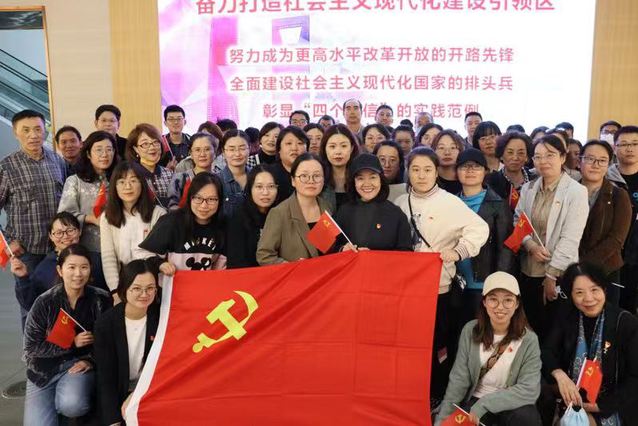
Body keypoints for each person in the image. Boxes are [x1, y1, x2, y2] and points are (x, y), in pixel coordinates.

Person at [395, 147, 489, 405]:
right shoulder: (400, 202)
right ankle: (411, 391)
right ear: (408, 172)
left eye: (427, 169)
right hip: (406, 289)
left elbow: (479, 229)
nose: (421, 175)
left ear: (436, 172)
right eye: (415, 169)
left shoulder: (449, 202)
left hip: (438, 288)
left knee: (436, 344)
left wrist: (458, 252)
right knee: (408, 344)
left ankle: (436, 395)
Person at [435, 272, 542, 426]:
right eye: (493, 299)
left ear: (517, 303)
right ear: (484, 302)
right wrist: (442, 420)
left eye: (508, 300)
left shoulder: (529, 340)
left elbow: (529, 389)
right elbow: (459, 379)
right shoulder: (470, 330)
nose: (500, 307)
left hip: (510, 404)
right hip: (475, 401)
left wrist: (485, 404)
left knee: (526, 418)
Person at [23, 244, 111, 426]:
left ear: (90, 269)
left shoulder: (101, 299)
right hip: (42, 373)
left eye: (84, 267)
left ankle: (67, 408)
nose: (78, 273)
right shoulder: (44, 302)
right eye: (71, 267)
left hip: (77, 366)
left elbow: (110, 342)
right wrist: (71, 342)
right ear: (60, 270)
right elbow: (30, 348)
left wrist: (90, 361)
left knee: (72, 404)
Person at [540, 262, 638, 425]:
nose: (589, 298)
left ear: (604, 289)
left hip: (613, 405)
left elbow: (635, 379)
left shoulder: (626, 323)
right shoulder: (566, 316)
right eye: (579, 292)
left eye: (594, 290)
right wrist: (559, 375)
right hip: (573, 399)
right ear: (570, 295)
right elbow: (546, 351)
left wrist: (599, 406)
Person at [514, 135, 589, 339]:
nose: (543, 161)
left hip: (558, 274)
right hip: (528, 269)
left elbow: (571, 237)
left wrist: (551, 275)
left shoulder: (576, 192)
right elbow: (518, 221)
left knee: (553, 332)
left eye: (550, 155)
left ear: (563, 157)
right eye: (538, 156)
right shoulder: (529, 188)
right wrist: (530, 245)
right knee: (531, 327)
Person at [0, 109, 67, 325]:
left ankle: (55, 346)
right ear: (16, 133)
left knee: (59, 305)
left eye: (38, 129)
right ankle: (33, 347)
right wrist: (8, 243)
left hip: (57, 249)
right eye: (26, 130)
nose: (33, 135)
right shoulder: (6, 167)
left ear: (44, 131)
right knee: (30, 308)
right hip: (26, 250)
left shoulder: (57, 161)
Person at [94, 259, 160, 426]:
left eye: (150, 288)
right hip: (118, 390)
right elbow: (105, 378)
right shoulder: (106, 324)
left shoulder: (161, 318)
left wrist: (138, 392)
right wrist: (113, 421)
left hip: (150, 389)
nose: (144, 294)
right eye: (136, 288)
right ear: (124, 288)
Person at [455, 148, 514, 326]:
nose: (470, 170)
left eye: (476, 166)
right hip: (454, 283)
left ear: (485, 171)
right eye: (464, 166)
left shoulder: (498, 204)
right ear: (456, 171)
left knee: (481, 333)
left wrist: (499, 285)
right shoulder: (450, 202)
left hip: (484, 284)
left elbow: (505, 248)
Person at [11, 212, 107, 311]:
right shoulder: (44, 268)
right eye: (59, 233)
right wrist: (23, 278)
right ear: (51, 236)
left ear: (79, 231)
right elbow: (31, 304)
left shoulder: (97, 260)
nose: (65, 236)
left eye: (70, 230)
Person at [100, 161, 166, 297]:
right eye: (121, 182)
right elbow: (108, 256)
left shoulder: (158, 213)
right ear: (114, 187)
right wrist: (115, 291)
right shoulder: (107, 217)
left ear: (142, 183)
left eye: (133, 180)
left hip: (152, 280)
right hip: (123, 281)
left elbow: (162, 255)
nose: (128, 186)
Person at [579, 140, 631, 307]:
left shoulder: (619, 195)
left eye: (602, 160)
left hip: (606, 270)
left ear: (609, 164)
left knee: (605, 318)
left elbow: (616, 239)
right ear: (580, 161)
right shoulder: (568, 192)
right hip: (569, 269)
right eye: (590, 159)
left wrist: (582, 265)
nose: (595, 165)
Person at [140, 172, 226, 272]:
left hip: (205, 281)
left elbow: (220, 266)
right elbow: (145, 253)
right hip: (172, 280)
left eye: (211, 199)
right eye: (198, 198)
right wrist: (160, 264)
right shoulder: (171, 222)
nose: (204, 205)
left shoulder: (223, 226)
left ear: (220, 201)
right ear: (190, 198)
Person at [257, 153, 331, 265]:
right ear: (293, 180)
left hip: (327, 273)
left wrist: (342, 249)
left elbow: (326, 248)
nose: (311, 181)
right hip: (295, 275)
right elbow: (264, 255)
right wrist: (291, 267)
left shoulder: (327, 207)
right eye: (304, 176)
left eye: (317, 176)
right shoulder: (279, 213)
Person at [334, 154, 412, 252]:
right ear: (354, 182)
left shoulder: (396, 213)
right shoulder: (344, 212)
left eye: (372, 177)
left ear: (381, 180)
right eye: (360, 178)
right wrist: (343, 249)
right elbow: (331, 247)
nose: (367, 184)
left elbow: (406, 253)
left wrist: (373, 256)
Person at [58, 130, 118, 254]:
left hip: (118, 245)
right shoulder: (75, 181)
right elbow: (64, 215)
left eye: (109, 149)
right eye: (99, 150)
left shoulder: (120, 179)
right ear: (88, 154)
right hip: (88, 247)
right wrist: (90, 219)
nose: (105, 154)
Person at [226, 165, 279, 268]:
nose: (265, 192)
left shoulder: (282, 214)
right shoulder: (238, 217)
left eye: (271, 186)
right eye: (259, 187)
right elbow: (236, 262)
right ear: (250, 188)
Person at [610, 125, 638, 314]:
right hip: (613, 255)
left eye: (635, 144)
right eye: (624, 144)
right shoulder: (605, 179)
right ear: (614, 148)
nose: (630, 149)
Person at [125, 123, 174, 206]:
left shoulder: (169, 174)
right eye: (145, 144)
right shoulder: (130, 175)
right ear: (136, 149)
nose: (152, 147)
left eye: (156, 142)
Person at [485, 132, 536, 211]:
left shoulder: (535, 180)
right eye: (510, 152)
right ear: (501, 155)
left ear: (527, 157)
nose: (515, 158)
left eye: (521, 153)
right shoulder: (490, 182)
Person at [167, 132, 216, 209]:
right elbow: (172, 207)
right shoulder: (180, 179)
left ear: (215, 152)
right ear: (191, 154)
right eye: (197, 150)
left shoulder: (220, 178)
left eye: (207, 149)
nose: (202, 154)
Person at [320, 124, 360, 212]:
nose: (338, 152)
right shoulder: (318, 178)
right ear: (325, 148)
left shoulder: (360, 177)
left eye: (344, 146)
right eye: (332, 146)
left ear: (352, 148)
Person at [270, 126, 309, 200]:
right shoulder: (269, 174)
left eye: (300, 143)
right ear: (279, 149)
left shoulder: (315, 172)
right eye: (289, 143)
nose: (294, 148)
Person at [218, 129, 250, 216]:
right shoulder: (216, 181)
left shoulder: (258, 177)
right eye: (231, 149)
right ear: (223, 152)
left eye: (242, 148)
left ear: (249, 149)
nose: (237, 154)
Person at [431, 129, 465, 194]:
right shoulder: (428, 180)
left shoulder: (467, 179)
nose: (447, 152)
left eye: (453, 147)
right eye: (441, 148)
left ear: (460, 150)